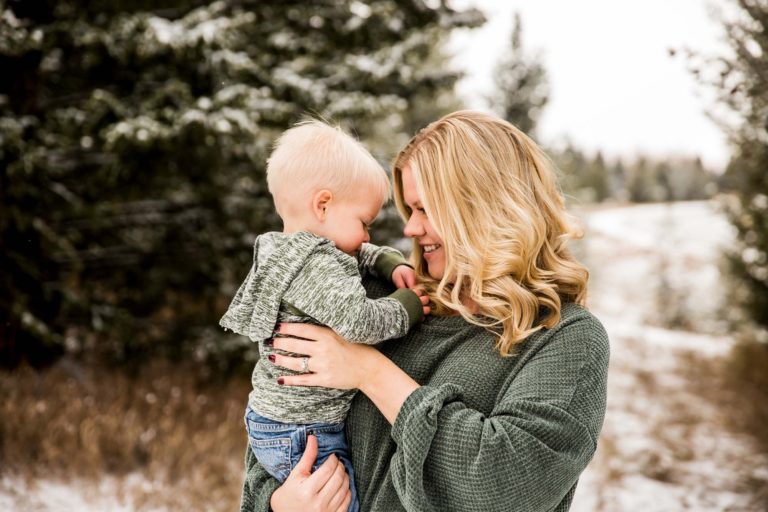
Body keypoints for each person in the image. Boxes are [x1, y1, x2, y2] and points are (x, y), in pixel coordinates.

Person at [240, 111, 610, 512]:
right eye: (409, 211)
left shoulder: (565, 337)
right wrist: (279, 505)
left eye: (425, 209)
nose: (411, 230)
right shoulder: (381, 297)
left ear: (483, 208)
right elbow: (278, 427)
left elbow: (502, 486)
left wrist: (369, 371)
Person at [220, 119, 430, 512]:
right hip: (304, 430)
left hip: (279, 420)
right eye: (363, 223)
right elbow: (359, 322)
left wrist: (385, 260)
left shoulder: (292, 249)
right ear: (323, 205)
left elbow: (351, 251)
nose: (367, 236)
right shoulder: (314, 267)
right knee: (338, 503)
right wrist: (408, 306)